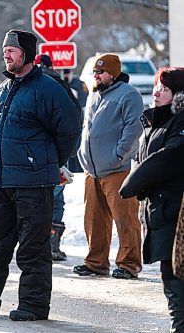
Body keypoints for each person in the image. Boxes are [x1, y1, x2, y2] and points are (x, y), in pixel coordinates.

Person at [0, 29, 81, 321]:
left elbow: (70, 129)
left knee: (33, 248)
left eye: (12, 49)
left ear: (27, 53)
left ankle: (33, 305)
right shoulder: (4, 90)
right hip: (2, 182)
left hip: (34, 182)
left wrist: (51, 162)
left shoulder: (48, 89)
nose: (6, 54)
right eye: (4, 50)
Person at [119, 67, 184, 332]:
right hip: (160, 210)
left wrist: (135, 182)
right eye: (157, 86)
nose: (157, 92)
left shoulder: (179, 123)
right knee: (169, 275)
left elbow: (167, 158)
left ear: (178, 95)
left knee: (175, 274)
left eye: (164, 88)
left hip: (177, 214)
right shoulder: (157, 122)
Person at [74, 53, 143, 279]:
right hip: (92, 170)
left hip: (117, 169)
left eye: (101, 72)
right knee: (94, 220)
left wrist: (119, 154)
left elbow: (133, 128)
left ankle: (129, 264)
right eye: (95, 72)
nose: (96, 75)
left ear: (113, 73)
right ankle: (96, 263)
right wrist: (82, 153)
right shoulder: (95, 94)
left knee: (126, 219)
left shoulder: (128, 94)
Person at [34, 53, 79, 262]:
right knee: (56, 198)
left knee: (41, 198)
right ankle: (52, 245)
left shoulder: (33, 84)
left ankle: (41, 244)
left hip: (39, 153)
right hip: (57, 152)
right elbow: (73, 122)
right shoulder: (62, 87)